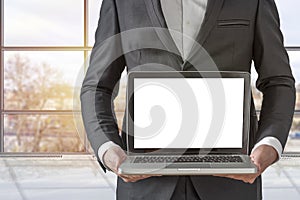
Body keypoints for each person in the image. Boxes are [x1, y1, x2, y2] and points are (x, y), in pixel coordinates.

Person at [80, 0, 296, 199]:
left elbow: (278, 81)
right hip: (145, 184)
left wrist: (269, 143)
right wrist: (107, 148)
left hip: (231, 182)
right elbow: (97, 86)